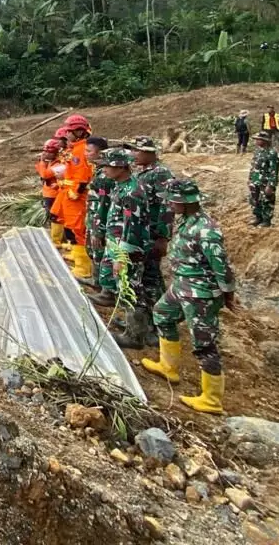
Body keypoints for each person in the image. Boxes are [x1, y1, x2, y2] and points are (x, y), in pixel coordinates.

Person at [140, 178, 236, 415]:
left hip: (200, 293)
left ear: (185, 201)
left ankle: (212, 399)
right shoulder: (185, 221)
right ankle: (168, 366)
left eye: (173, 201)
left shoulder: (206, 230)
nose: (170, 205)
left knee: (204, 344)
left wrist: (228, 294)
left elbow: (221, 266)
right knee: (162, 314)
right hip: (182, 285)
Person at [95, 147, 149, 346]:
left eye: (109, 166)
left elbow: (132, 228)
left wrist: (121, 256)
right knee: (122, 287)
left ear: (121, 167)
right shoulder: (120, 186)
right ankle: (130, 325)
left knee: (130, 289)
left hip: (128, 250)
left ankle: (134, 337)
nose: (105, 170)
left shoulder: (132, 192)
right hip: (117, 245)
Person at [130, 136, 173, 338]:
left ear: (150, 153)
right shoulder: (143, 173)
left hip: (153, 235)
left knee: (151, 280)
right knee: (144, 277)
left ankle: (158, 329)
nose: (134, 154)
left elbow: (167, 207)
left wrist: (163, 237)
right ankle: (146, 320)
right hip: (142, 233)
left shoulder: (161, 174)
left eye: (138, 151)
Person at [51, 114, 94, 280]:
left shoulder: (81, 150)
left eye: (70, 131)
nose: (66, 134)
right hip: (68, 193)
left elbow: (83, 175)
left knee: (77, 229)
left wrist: (76, 191)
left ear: (79, 131)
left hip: (75, 196)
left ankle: (83, 267)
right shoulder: (76, 148)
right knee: (69, 226)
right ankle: (77, 256)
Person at [81, 135, 114, 296]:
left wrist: (98, 230)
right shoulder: (99, 172)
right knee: (93, 251)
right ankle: (97, 282)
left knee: (100, 252)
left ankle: (106, 290)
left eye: (89, 151)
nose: (86, 154)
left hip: (100, 222)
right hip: (93, 219)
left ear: (101, 153)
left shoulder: (105, 177)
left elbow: (104, 204)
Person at [248, 130, 279, 227]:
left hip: (265, 182)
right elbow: (253, 166)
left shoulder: (273, 153)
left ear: (265, 140)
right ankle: (258, 218)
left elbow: (274, 170)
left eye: (258, 139)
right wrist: (250, 179)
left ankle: (266, 220)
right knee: (254, 200)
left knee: (266, 201)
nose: (256, 141)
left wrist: (270, 185)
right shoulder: (258, 151)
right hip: (255, 180)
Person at [34, 139, 61, 216]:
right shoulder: (51, 162)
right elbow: (41, 172)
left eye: (48, 152)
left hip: (54, 195)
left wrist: (42, 161)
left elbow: (45, 175)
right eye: (45, 151)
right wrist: (41, 162)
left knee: (54, 217)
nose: (45, 153)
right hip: (48, 194)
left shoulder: (58, 164)